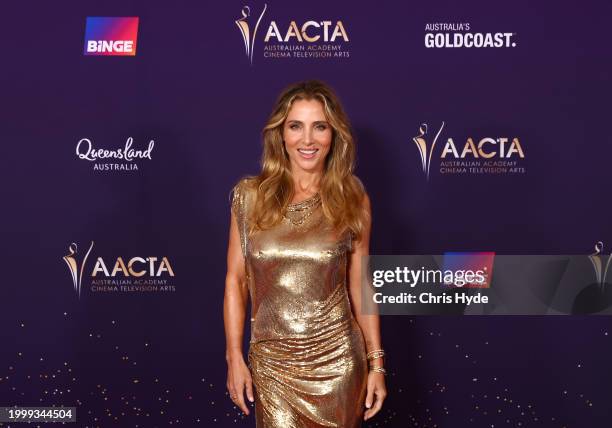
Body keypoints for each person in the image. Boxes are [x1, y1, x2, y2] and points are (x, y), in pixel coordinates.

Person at [223, 80, 386, 427]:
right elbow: (235, 280)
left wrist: (376, 364)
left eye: (320, 127)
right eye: (296, 126)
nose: (307, 140)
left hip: (338, 361)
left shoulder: (352, 197)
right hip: (272, 364)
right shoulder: (249, 197)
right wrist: (234, 357)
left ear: (334, 135)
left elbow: (361, 283)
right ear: (280, 134)